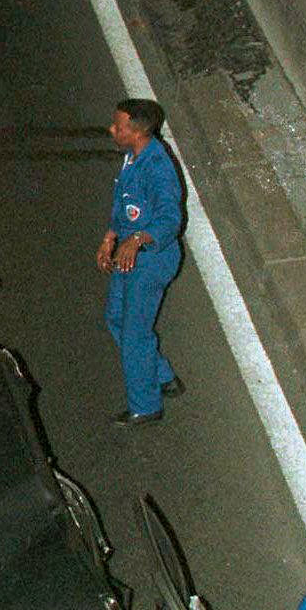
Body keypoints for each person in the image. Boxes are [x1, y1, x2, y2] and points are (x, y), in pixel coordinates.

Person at [95, 98, 184, 426]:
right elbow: (126, 203)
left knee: (134, 334)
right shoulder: (133, 157)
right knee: (116, 317)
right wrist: (111, 236)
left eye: (118, 127)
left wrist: (135, 241)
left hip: (150, 261)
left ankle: (146, 406)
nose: (112, 130)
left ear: (137, 132)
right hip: (129, 255)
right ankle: (161, 375)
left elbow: (169, 218)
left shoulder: (157, 168)